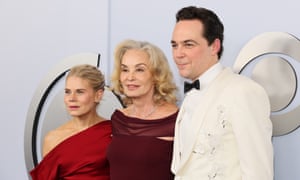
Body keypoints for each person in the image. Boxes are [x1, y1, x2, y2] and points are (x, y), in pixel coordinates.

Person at [170, 6, 274, 180]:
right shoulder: (189, 97)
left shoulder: (244, 92)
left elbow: (259, 174)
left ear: (214, 46)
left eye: (188, 44)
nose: (178, 54)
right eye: (175, 45)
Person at [106, 39, 178, 180]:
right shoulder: (119, 119)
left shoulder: (176, 119)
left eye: (139, 70)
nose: (130, 77)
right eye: (125, 69)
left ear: (156, 75)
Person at [30, 64, 111, 180]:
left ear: (98, 95)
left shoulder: (114, 133)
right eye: (67, 92)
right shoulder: (53, 139)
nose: (71, 98)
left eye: (80, 92)